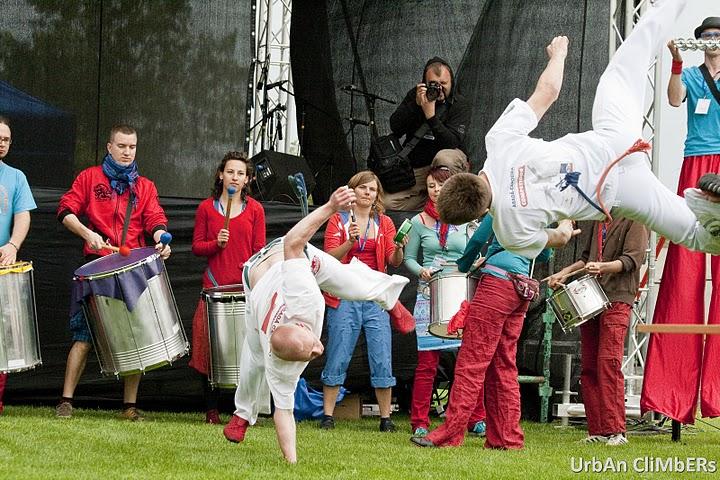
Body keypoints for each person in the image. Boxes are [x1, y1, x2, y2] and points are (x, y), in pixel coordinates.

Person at [437, 0, 720, 263]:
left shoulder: (509, 232)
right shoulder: (498, 142)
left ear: (475, 216)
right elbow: (547, 92)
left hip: (622, 192)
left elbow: (559, 239)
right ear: (466, 174)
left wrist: (562, 217)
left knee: (693, 235)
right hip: (614, 140)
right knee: (628, 60)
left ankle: (715, 219)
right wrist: (558, 55)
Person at [221, 185, 413, 463]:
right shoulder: (278, 366)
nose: (318, 349)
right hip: (256, 284)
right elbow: (283, 412)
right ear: (284, 359)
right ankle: (242, 414)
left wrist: (331, 206)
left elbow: (292, 243)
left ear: (300, 326)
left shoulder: (301, 297)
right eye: (311, 352)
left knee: (351, 280)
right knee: (252, 358)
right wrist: (292, 463)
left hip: (291, 257)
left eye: (311, 345)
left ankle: (390, 298)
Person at [55, 123, 171, 421]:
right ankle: (66, 401)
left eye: (131, 147)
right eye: (121, 146)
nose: (127, 152)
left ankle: (129, 407)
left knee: (136, 337)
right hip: (97, 268)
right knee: (83, 337)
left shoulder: (144, 187)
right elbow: (65, 209)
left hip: (131, 269)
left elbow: (155, 218)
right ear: (109, 146)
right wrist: (86, 233)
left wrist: (160, 238)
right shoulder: (90, 178)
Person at [412, 214, 552, 449]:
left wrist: (463, 267)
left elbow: (477, 240)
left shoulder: (505, 203)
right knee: (504, 366)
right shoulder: (541, 209)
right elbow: (545, 252)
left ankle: (449, 435)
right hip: (522, 287)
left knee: (471, 362)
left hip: (497, 284)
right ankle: (507, 439)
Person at [642, 16, 720, 424]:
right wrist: (674, 63)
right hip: (695, 164)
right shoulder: (691, 74)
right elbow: (673, 101)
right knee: (684, 268)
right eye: (706, 36)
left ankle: (716, 392)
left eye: (717, 36)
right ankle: (671, 394)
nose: (711, 41)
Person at [319, 170, 407, 432]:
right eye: (363, 188)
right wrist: (349, 243)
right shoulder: (338, 219)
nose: (368, 193)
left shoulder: (385, 223)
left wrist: (400, 247)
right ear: (353, 191)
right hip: (345, 293)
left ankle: (385, 418)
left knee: (382, 354)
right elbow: (329, 258)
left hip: (374, 295)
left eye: (372, 190)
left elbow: (393, 261)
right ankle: (328, 416)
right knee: (338, 351)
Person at [548, 219, 648, 446]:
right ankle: (598, 430)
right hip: (591, 296)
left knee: (608, 362)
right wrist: (565, 272)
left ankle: (616, 431)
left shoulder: (636, 219)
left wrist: (603, 267)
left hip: (618, 297)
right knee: (590, 366)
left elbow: (632, 260)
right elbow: (586, 259)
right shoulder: (596, 220)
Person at [403, 165, 485, 437]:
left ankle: (475, 417)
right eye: (431, 186)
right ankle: (420, 422)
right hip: (430, 295)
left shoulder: (469, 219)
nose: (436, 191)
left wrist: (476, 264)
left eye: (441, 185)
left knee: (467, 361)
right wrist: (421, 271)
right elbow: (409, 258)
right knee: (427, 364)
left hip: (461, 293)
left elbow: (474, 254)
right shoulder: (417, 222)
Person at [190, 151, 265, 424]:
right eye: (231, 171)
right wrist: (215, 244)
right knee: (208, 349)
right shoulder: (206, 209)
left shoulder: (256, 210)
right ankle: (211, 410)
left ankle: (242, 411)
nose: (235, 177)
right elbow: (197, 247)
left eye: (241, 173)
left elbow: (259, 251)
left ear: (247, 180)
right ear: (221, 175)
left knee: (247, 351)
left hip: (243, 288)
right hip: (214, 286)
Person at [385, 57, 471, 210]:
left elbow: (451, 143)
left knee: (443, 157)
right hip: (418, 167)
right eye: (434, 84)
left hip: (447, 165)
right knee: (387, 203)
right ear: (424, 83)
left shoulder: (459, 104)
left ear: (452, 81)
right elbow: (396, 128)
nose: (439, 89)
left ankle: (448, 206)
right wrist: (414, 105)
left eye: (444, 84)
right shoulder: (416, 96)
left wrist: (431, 117)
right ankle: (428, 203)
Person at [0, 116, 37, 415]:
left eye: (6, 140)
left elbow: (23, 215)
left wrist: (13, 245)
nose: (1, 143)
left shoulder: (16, 177)